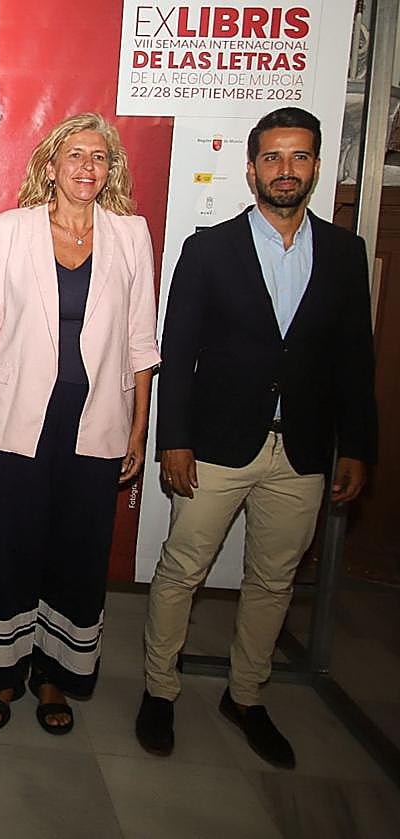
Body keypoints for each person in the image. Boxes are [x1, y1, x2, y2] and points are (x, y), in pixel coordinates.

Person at [137, 107, 377, 768]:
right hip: (215, 446)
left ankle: (245, 696)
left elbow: (355, 359)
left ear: (316, 167)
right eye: (272, 157)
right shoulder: (209, 249)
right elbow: (177, 353)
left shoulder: (345, 254)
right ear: (251, 169)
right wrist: (174, 439)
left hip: (301, 450)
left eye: (298, 157)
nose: (285, 169)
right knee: (182, 569)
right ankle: (159, 689)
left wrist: (357, 446)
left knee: (273, 581)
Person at [0, 113, 160, 734]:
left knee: (76, 550)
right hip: (17, 418)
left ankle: (54, 675)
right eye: (74, 155)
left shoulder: (131, 235)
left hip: (96, 421)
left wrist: (138, 429)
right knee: (8, 544)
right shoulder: (12, 229)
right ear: (50, 166)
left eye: (98, 157)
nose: (86, 168)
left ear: (110, 170)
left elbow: (141, 342)